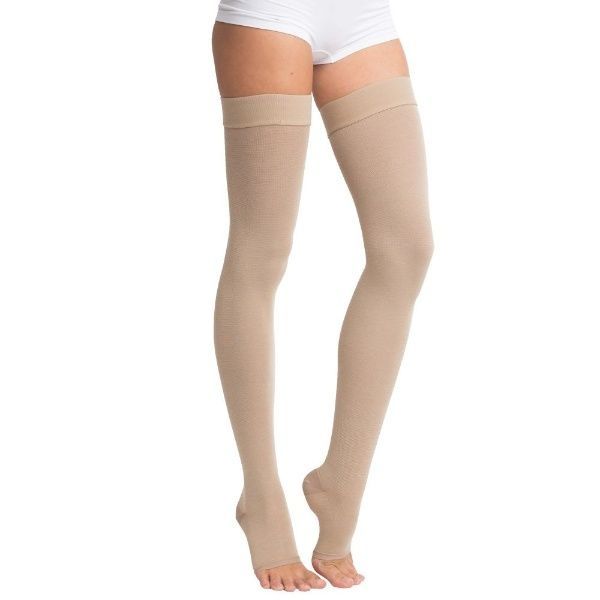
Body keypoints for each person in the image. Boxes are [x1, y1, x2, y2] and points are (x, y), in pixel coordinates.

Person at [212, 0, 434, 591]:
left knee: (406, 247)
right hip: (271, 17)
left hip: (363, 20)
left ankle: (341, 483)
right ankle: (261, 498)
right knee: (261, 251)